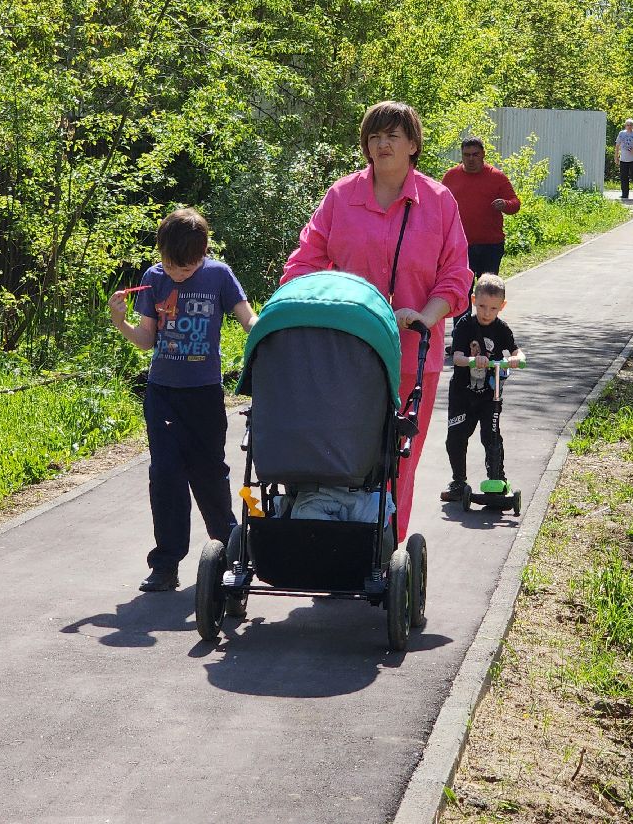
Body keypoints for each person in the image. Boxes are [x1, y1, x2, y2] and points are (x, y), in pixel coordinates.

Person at [281, 101, 472, 540]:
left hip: (410, 355)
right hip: (344, 353)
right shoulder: (341, 196)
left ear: (413, 145)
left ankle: (387, 550)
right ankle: (327, 544)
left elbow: (456, 275)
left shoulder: (439, 202)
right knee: (336, 451)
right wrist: (297, 307)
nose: (382, 144)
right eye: (374, 136)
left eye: (392, 136)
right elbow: (305, 261)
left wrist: (425, 316)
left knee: (397, 461)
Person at [110, 207, 258, 592]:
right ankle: (166, 564)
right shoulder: (153, 279)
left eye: (187, 269)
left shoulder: (218, 275)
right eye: (172, 266)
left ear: (203, 253)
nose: (178, 274)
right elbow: (147, 340)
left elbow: (248, 319)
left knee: (209, 473)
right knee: (165, 475)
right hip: (162, 393)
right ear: (160, 254)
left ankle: (228, 552)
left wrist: (271, 335)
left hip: (205, 393)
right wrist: (120, 322)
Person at [442, 274, 526, 503]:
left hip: (490, 395)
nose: (486, 312)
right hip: (462, 393)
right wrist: (471, 359)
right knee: (456, 437)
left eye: (492, 308)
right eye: (481, 306)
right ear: (473, 300)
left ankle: (497, 479)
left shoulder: (501, 329)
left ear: (502, 306)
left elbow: (516, 351)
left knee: (491, 436)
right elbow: (457, 356)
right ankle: (459, 481)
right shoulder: (465, 325)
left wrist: (517, 359)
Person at [440, 138, 521, 280]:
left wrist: (505, 204)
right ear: (462, 155)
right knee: (463, 289)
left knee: (487, 289)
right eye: (467, 155)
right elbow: (439, 206)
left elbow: (515, 203)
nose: (471, 159)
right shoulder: (451, 176)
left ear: (483, 154)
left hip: (490, 245)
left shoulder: (496, 176)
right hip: (461, 245)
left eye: (475, 154)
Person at [615, 119, 633, 200]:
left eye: (630, 125)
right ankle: (625, 194)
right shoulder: (621, 134)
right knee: (623, 177)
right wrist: (616, 157)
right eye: (627, 125)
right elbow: (617, 146)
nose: (629, 126)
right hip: (623, 159)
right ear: (625, 126)